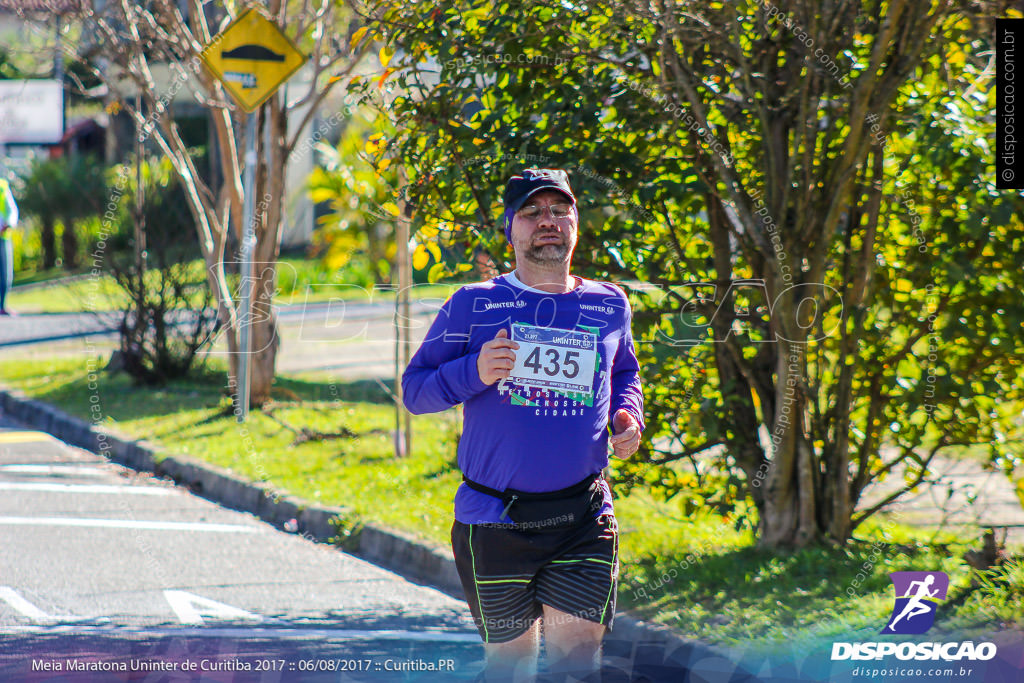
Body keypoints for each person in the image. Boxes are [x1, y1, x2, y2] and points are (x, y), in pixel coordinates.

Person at [402, 169, 644, 682]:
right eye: (532, 213)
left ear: (576, 223)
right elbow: (414, 392)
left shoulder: (608, 303)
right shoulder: (474, 303)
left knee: (576, 661)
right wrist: (475, 371)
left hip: (582, 517)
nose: (548, 222)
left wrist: (629, 415)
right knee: (510, 667)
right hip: (494, 520)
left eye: (559, 210)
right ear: (510, 230)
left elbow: (625, 372)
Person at [0, 177, 18, 316]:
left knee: (5, 274)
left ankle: (2, 305)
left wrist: (8, 224)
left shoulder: (2, 186)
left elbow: (12, 210)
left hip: (3, 237)